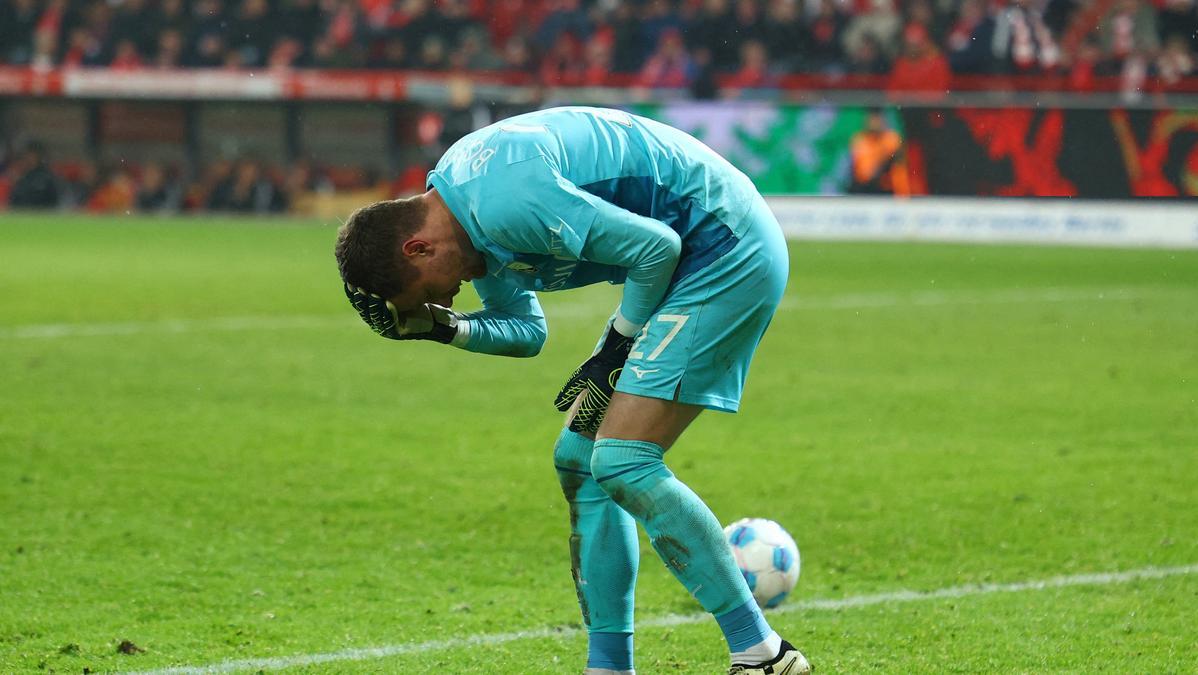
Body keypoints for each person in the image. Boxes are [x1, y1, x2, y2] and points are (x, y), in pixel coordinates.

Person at [334, 106, 807, 675]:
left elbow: (657, 248)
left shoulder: (504, 201)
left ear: (417, 248)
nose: (450, 296)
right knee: (580, 461)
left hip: (724, 248)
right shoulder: (462, 217)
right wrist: (445, 329)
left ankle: (764, 655)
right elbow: (528, 331)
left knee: (625, 460)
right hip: (688, 258)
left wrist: (618, 342)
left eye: (431, 295)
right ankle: (608, 666)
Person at [849, 108, 909, 195]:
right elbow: (863, 173)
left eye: (877, 118)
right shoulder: (860, 140)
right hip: (864, 188)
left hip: (886, 189)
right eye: (872, 118)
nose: (875, 122)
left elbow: (899, 168)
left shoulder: (891, 139)